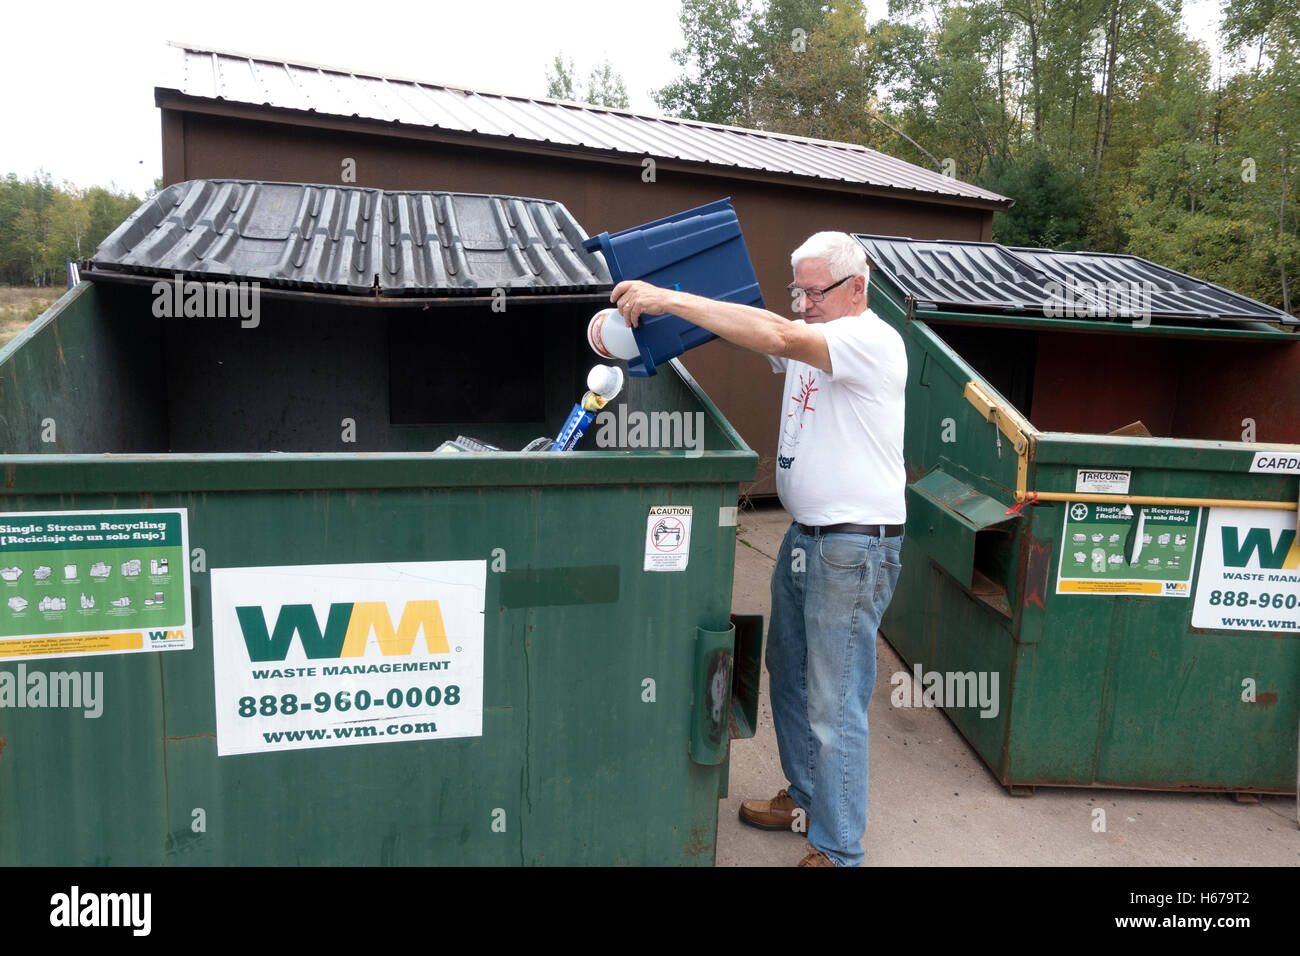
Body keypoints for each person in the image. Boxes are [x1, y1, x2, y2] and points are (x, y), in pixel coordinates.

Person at [611, 231, 906, 867]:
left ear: (858, 287)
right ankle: (805, 800)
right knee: (791, 678)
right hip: (808, 539)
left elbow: (775, 335)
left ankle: (839, 848)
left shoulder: (869, 341)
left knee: (836, 701)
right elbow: (759, 326)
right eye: (796, 289)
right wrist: (675, 313)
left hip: (852, 548)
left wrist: (667, 297)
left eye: (814, 291)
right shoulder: (816, 330)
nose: (801, 303)